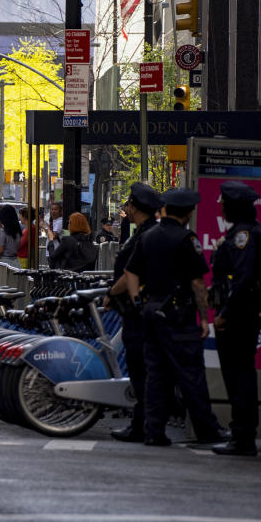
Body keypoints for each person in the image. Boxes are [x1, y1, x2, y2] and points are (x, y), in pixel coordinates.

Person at [124, 188, 227, 447]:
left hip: (151, 312)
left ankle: (154, 432)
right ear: (189, 212)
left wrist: (138, 301)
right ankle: (207, 430)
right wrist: (204, 318)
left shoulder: (148, 237)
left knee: (156, 376)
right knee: (190, 374)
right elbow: (197, 284)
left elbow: (131, 272)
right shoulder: (185, 239)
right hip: (178, 316)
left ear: (166, 209)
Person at [106, 183, 163, 443]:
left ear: (136, 207)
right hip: (137, 311)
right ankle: (144, 423)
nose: (126, 208)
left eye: (128, 204)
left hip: (138, 312)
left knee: (141, 371)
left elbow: (131, 272)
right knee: (143, 370)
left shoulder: (145, 236)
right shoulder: (142, 232)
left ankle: (143, 425)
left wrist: (111, 293)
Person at [210, 181, 261, 457]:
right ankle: (241, 432)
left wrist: (225, 314)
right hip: (238, 314)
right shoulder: (242, 234)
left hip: (238, 317)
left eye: (224, 204)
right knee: (239, 375)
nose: (220, 207)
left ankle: (242, 437)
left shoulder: (244, 237)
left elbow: (243, 280)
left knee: (239, 376)